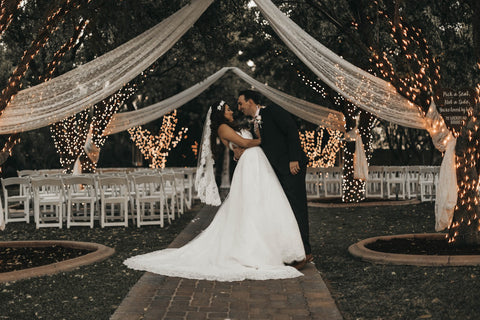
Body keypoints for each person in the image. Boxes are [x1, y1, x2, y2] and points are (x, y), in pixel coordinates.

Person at [123, 100, 306, 281]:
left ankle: (278, 247)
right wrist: (265, 141)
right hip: (250, 166)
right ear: (220, 113)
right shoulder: (223, 129)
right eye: (228, 110)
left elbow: (242, 144)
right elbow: (244, 142)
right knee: (250, 206)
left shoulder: (235, 125)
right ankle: (256, 249)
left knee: (264, 204)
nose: (232, 111)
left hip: (257, 165)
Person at [236, 90, 312, 268]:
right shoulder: (254, 123)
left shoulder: (272, 111)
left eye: (241, 103)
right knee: (286, 210)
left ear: (251, 101)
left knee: (297, 207)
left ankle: (306, 252)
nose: (239, 107)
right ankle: (293, 250)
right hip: (276, 170)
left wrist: (294, 159)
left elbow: (292, 130)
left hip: (291, 166)